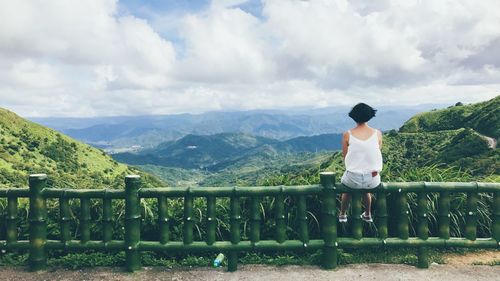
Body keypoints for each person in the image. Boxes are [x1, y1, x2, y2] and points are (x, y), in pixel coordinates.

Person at [338, 103, 383, 223]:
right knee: (366, 188)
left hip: (353, 179)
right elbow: (378, 150)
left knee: (347, 189)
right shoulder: (377, 133)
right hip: (372, 180)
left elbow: (345, 156)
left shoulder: (348, 134)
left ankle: (342, 215)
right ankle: (368, 214)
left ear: (353, 116)